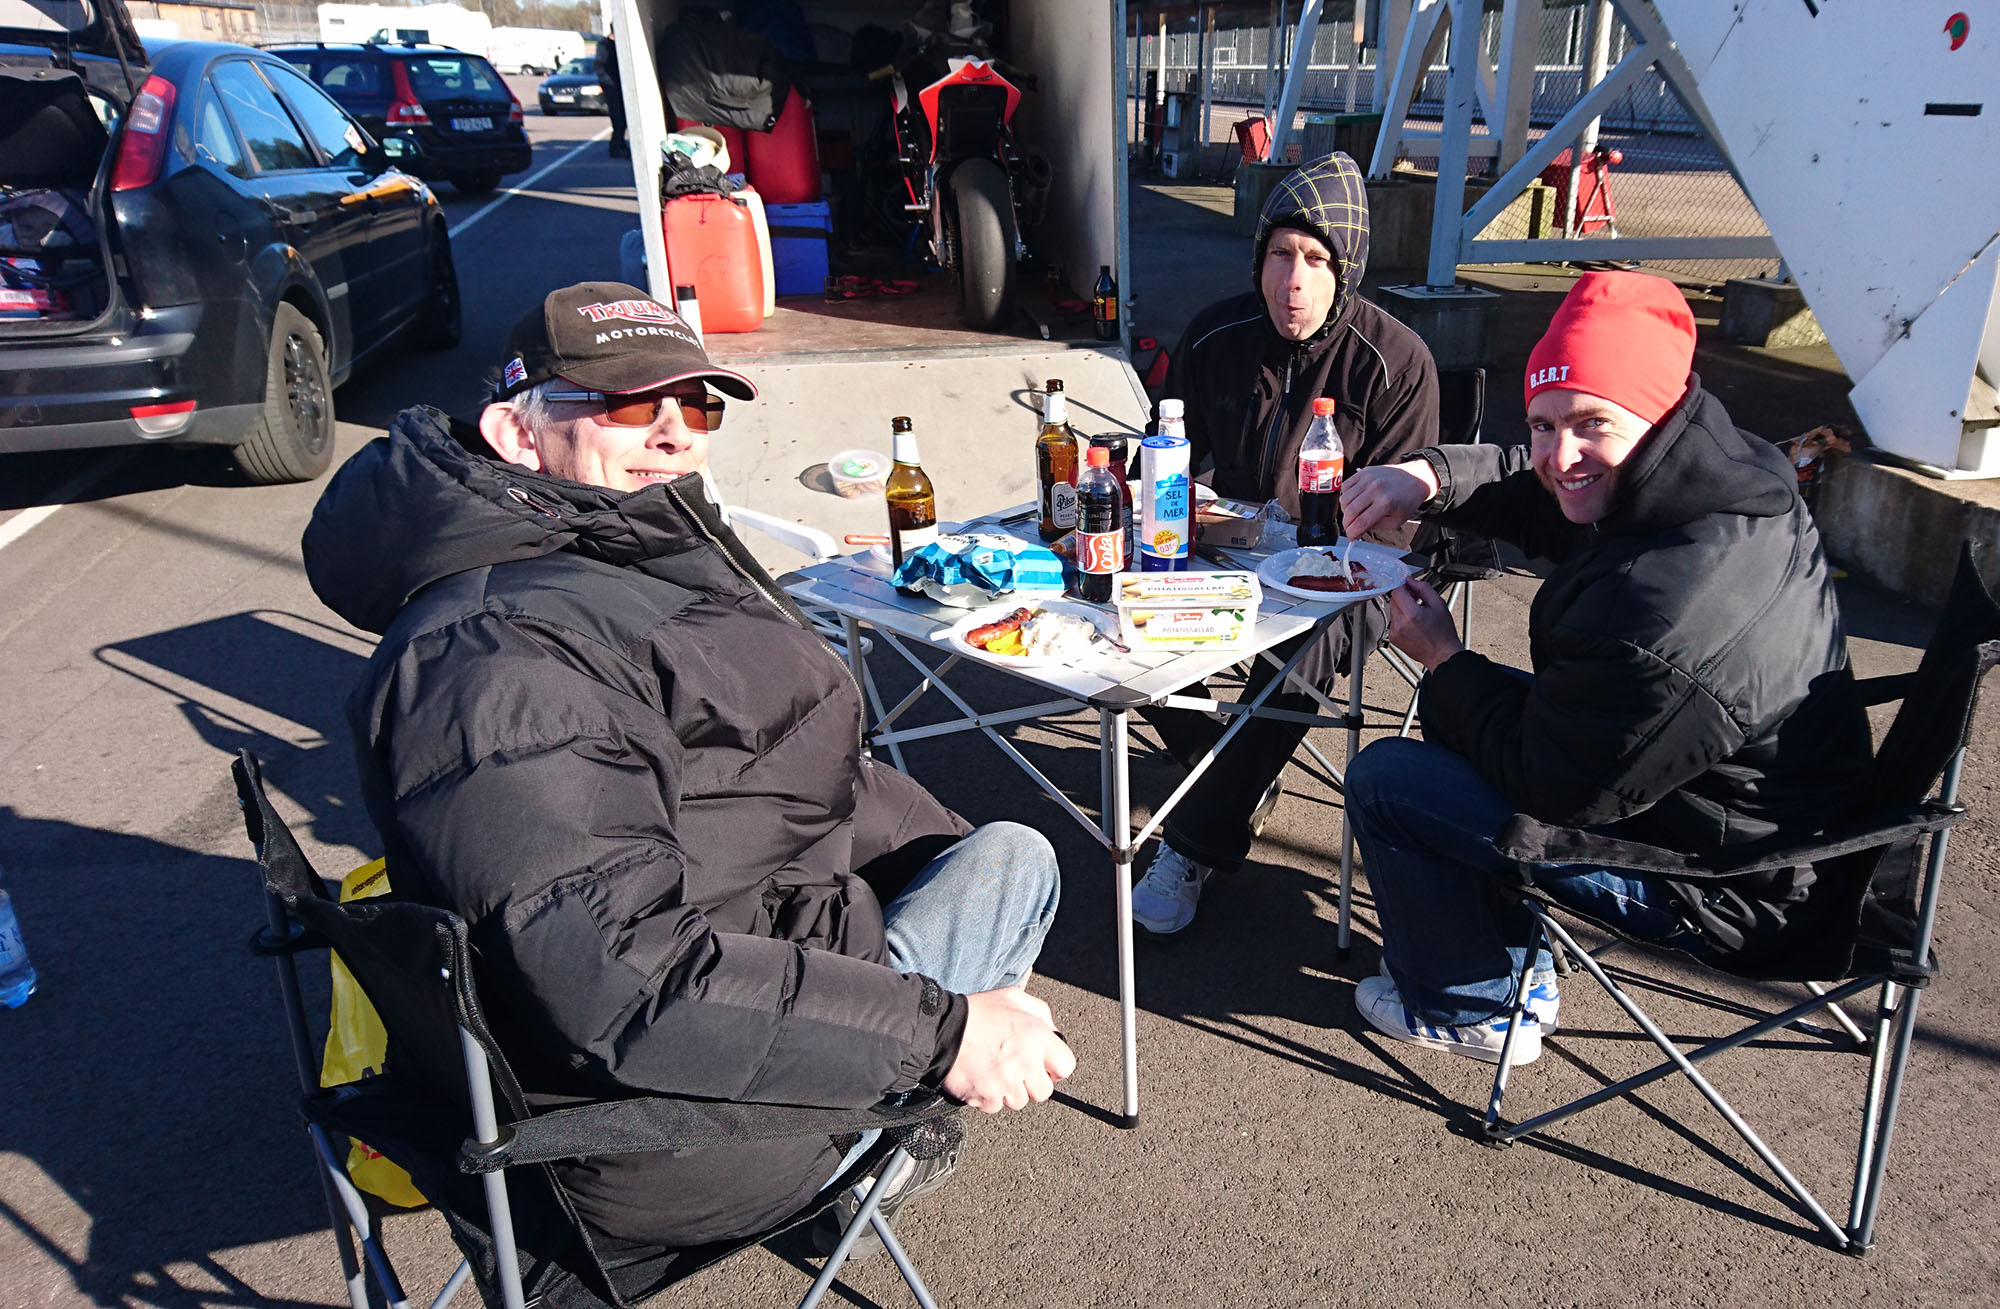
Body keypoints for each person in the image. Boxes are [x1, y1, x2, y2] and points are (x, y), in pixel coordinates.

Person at [301, 282, 1074, 1250]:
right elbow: (625, 983)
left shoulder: (594, 553)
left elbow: (775, 766)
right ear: (515, 432)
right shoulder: (496, 657)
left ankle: (892, 1097)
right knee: (1010, 896)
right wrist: (945, 1032)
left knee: (1007, 858)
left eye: (696, 405)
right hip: (663, 1127)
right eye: (629, 404)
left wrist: (935, 850)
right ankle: (863, 1161)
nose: (675, 433)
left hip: (754, 928)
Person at [1336, 271, 1872, 1065]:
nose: (1561, 453)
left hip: (1732, 882)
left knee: (1387, 779)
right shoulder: (1724, 475)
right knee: (1469, 717)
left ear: (1656, 414)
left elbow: (1547, 787)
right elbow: (1542, 486)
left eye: (1592, 421)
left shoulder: (1661, 610)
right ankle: (1514, 961)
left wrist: (1442, 657)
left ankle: (1467, 1006)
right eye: (1544, 423)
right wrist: (1428, 477)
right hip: (1740, 804)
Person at [1132, 150, 1441, 935]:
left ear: (1348, 268)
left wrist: (1314, 560)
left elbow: (1394, 537)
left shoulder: (1397, 361)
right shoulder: (1216, 334)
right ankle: (1232, 765)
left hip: (1353, 570)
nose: (1292, 281)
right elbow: (1159, 467)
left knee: (1312, 640)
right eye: (1279, 254)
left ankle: (1194, 839)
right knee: (1128, 599)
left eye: (1314, 260)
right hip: (1233, 550)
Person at [595, 29, 627, 158]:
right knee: (618, 120)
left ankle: (618, 146)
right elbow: (599, 66)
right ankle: (617, 147)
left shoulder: (616, 45)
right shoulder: (605, 46)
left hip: (618, 86)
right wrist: (609, 82)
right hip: (612, 88)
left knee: (622, 120)